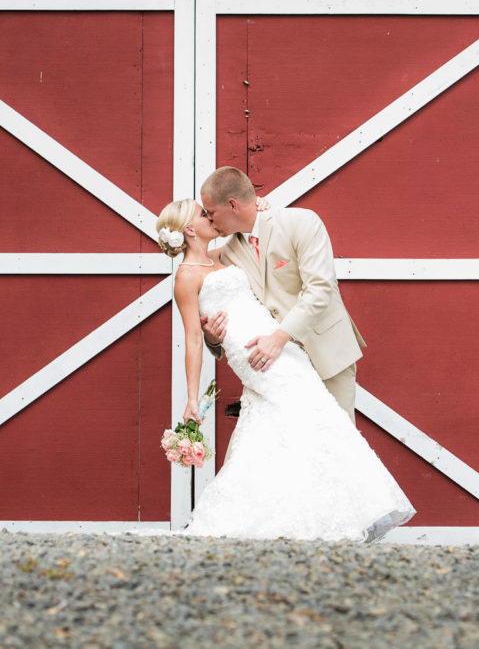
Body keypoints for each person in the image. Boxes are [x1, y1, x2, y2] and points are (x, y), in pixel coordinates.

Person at [156, 198, 415, 542]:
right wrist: (193, 392)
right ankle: (327, 519)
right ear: (189, 230)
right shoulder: (186, 277)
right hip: (252, 355)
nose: (210, 217)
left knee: (300, 424)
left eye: (211, 211)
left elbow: (254, 227)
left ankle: (309, 518)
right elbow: (191, 338)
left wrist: (261, 207)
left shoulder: (224, 255)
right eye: (204, 215)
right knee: (307, 417)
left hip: (284, 349)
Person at [198, 167, 365, 422]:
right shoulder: (229, 254)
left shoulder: (301, 222)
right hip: (278, 370)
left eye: (211, 213)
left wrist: (279, 338)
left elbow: (321, 289)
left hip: (326, 355)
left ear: (232, 204)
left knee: (335, 446)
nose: (209, 220)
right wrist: (212, 339)